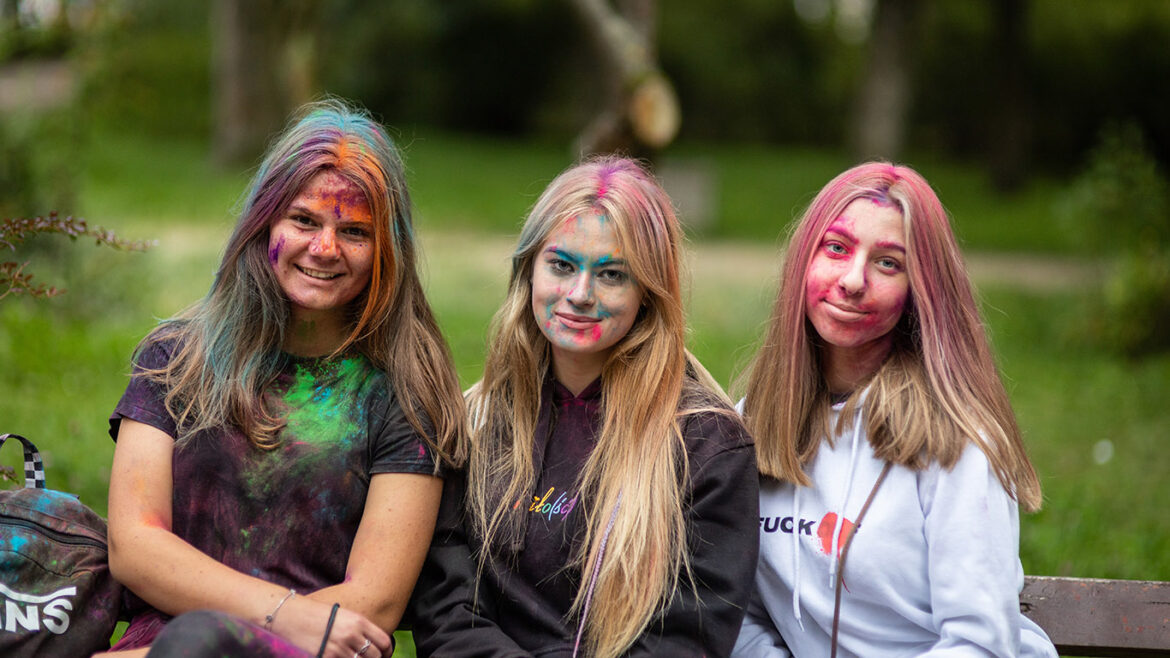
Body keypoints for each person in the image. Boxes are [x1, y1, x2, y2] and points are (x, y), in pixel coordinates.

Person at [100, 99, 467, 658]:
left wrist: (262, 630)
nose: (325, 249)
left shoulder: (405, 393)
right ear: (263, 222)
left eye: (354, 231)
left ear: (387, 250)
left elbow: (375, 602)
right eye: (304, 221)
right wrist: (281, 612)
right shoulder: (175, 359)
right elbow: (134, 547)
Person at [409, 156, 760, 658]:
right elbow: (446, 610)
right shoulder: (474, 423)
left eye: (611, 274)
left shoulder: (708, 444)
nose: (579, 294)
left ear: (649, 292)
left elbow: (688, 638)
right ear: (528, 270)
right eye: (561, 265)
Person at [731, 162, 1057, 657]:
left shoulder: (956, 444)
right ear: (802, 260)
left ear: (919, 292)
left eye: (888, 263)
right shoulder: (754, 424)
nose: (852, 280)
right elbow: (739, 615)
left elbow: (980, 645)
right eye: (836, 248)